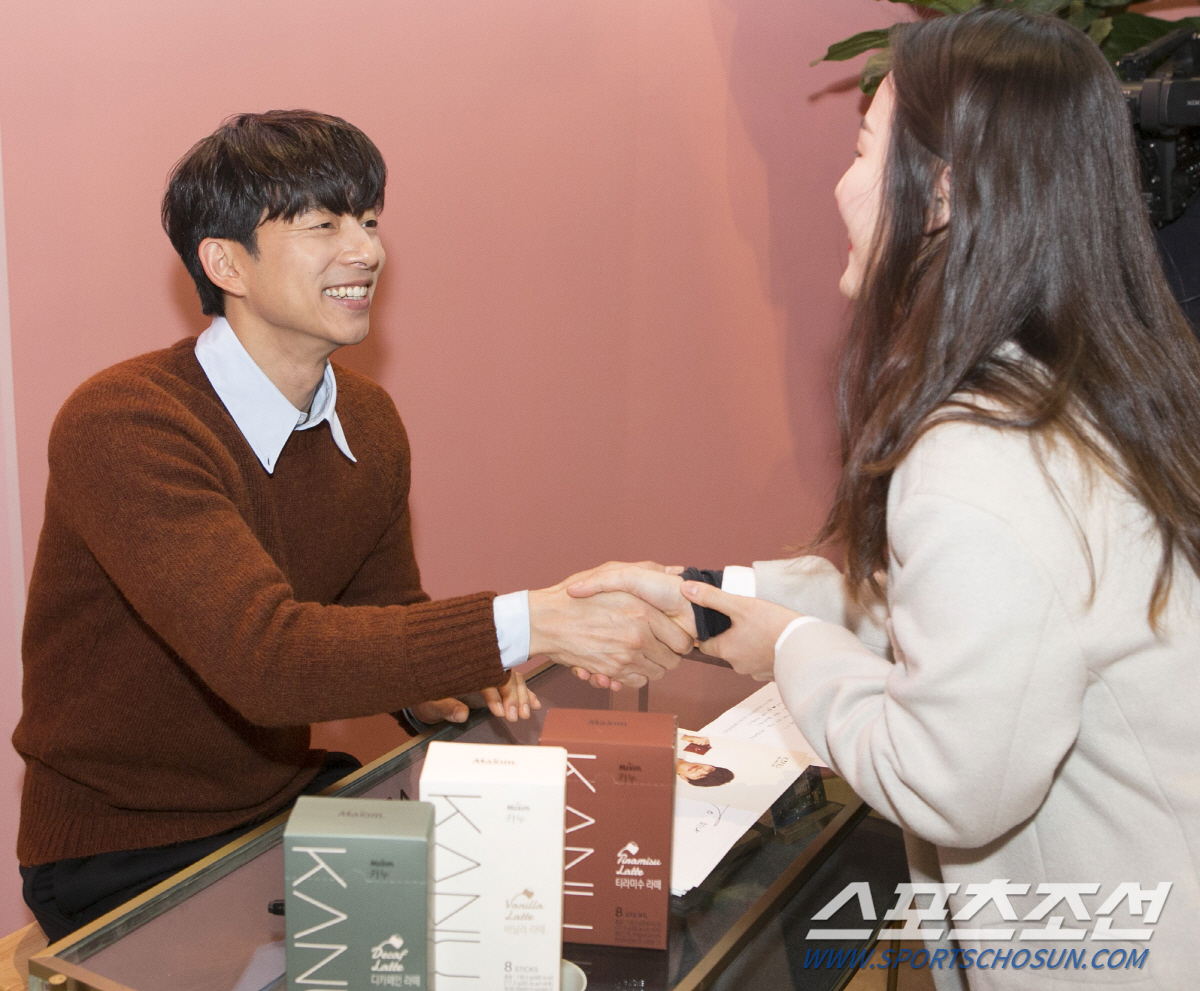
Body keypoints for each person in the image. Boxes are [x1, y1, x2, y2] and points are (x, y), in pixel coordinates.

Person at [569, 9, 1200, 988]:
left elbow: (946, 781)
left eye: (864, 150)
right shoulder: (1087, 391)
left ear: (939, 191)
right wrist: (706, 592)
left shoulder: (981, 454)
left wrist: (789, 649)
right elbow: (963, 612)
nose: (841, 184)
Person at [12, 110, 692, 942]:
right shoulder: (125, 422)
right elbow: (267, 660)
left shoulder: (367, 420)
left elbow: (384, 614)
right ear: (225, 262)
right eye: (323, 224)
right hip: (125, 847)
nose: (366, 249)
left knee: (524, 917)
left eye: (369, 220)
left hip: (284, 801)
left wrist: (436, 686)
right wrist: (533, 620)